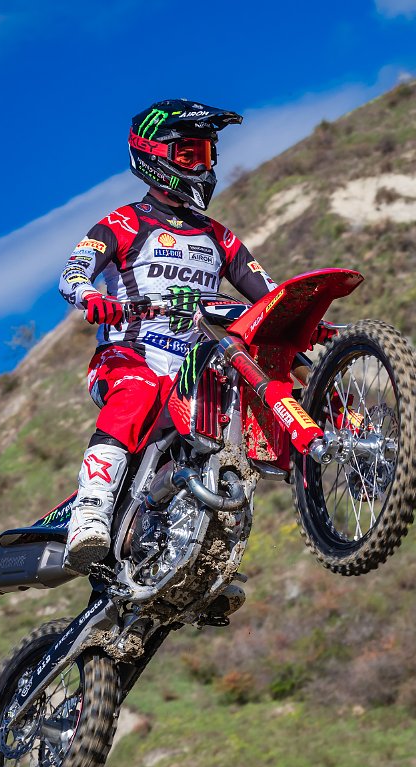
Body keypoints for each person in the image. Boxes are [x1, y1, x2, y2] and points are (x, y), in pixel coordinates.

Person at [59, 98, 278, 575]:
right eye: (190, 155)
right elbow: (74, 271)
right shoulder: (123, 222)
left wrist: (301, 318)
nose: (204, 165)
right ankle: (90, 510)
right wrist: (90, 296)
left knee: (247, 407)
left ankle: (205, 549)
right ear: (154, 155)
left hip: (194, 373)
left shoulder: (220, 237)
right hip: (126, 358)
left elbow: (270, 295)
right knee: (138, 391)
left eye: (209, 154)